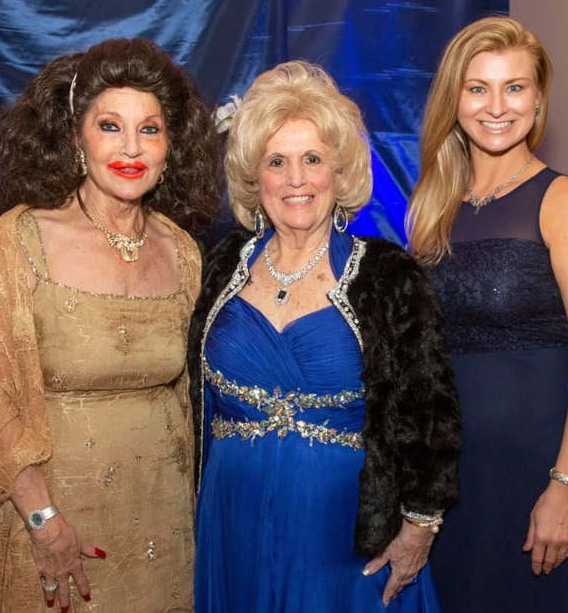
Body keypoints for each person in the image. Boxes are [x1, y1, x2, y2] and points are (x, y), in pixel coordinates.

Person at [187, 61, 460, 612]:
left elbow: (430, 411)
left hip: (344, 529)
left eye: (312, 159)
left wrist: (419, 527)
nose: (296, 179)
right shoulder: (221, 266)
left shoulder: (387, 276)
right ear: (254, 177)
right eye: (277, 161)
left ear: (339, 171)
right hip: (233, 512)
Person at [0, 38, 219, 612]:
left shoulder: (182, 251)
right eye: (109, 126)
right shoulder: (23, 236)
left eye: (149, 129)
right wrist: (43, 521)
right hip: (54, 521)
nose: (131, 148)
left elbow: (192, 398)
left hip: (164, 522)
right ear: (77, 137)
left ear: (171, 147)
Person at [409, 17, 568, 613]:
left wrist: (567, 487)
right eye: (478, 88)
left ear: (538, 98)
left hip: (538, 473)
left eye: (515, 87)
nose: (497, 107)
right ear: (454, 100)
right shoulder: (432, 209)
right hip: (454, 479)